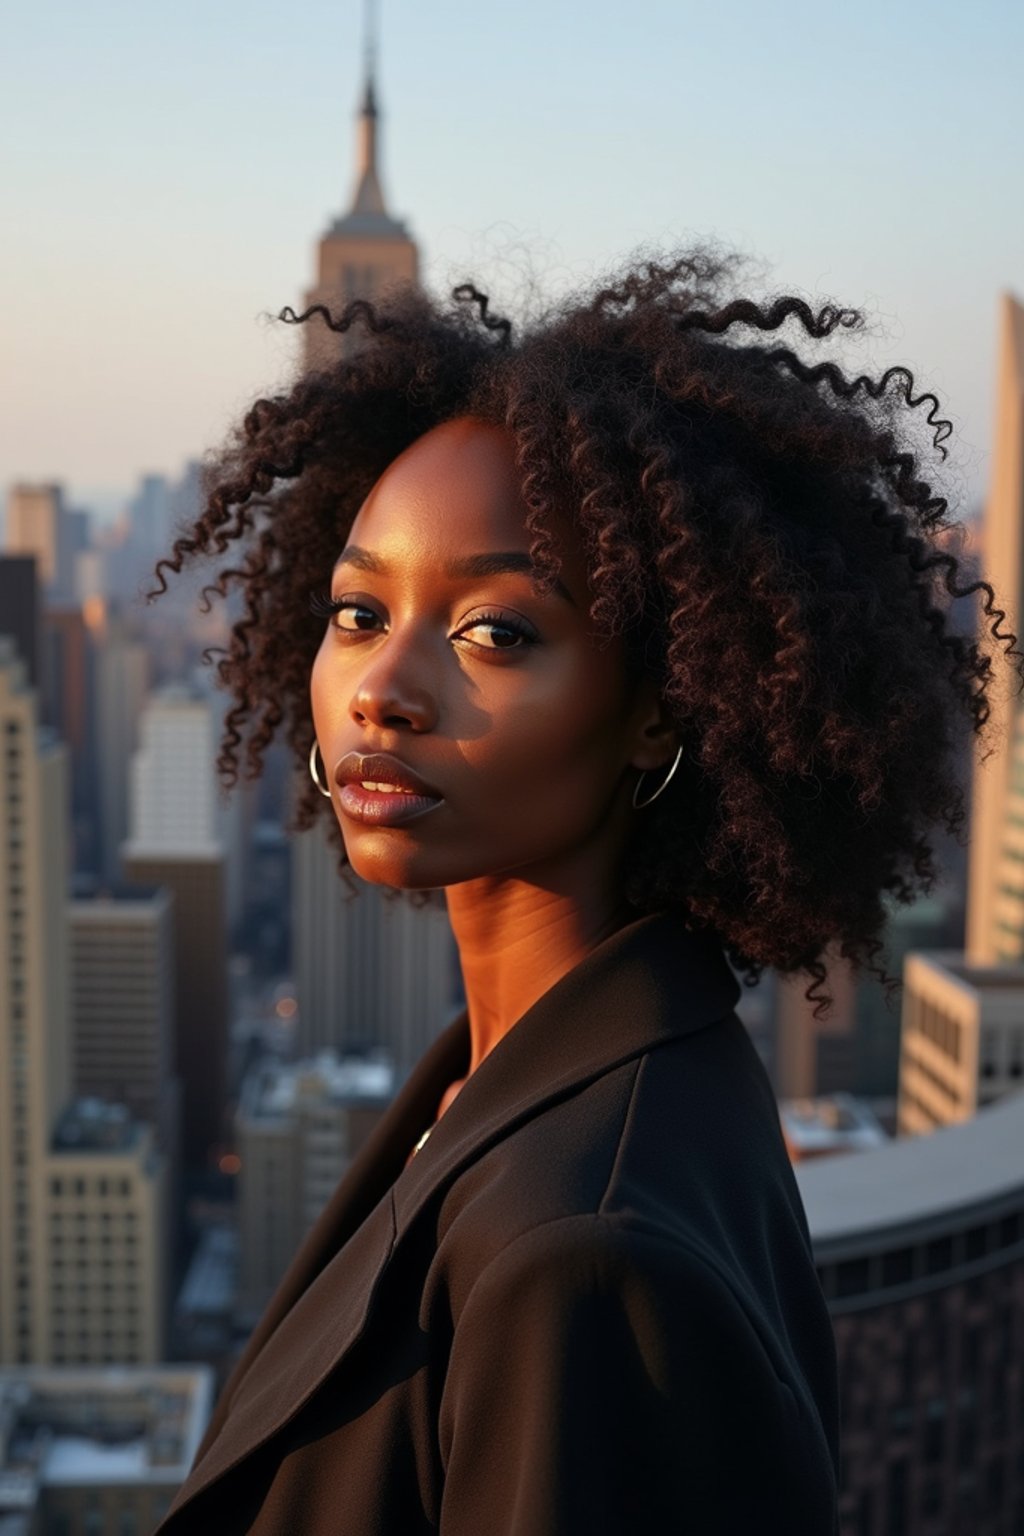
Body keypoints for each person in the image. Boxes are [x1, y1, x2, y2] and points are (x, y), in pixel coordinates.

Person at [144, 249, 1019, 1535]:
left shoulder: (584, 1259)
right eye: (355, 610)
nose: (383, 686)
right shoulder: (574, 1079)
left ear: (656, 710)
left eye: (496, 630)